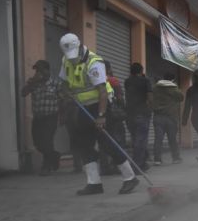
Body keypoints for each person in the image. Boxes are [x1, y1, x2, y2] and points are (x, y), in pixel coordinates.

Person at [58, 33, 138, 195]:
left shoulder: (94, 62)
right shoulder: (66, 60)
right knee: (84, 145)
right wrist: (66, 92)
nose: (72, 59)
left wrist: (101, 116)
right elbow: (65, 83)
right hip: (83, 107)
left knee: (107, 143)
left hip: (101, 105)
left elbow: (102, 91)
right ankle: (94, 183)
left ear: (80, 47)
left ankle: (130, 178)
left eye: (74, 55)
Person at [21, 60, 64, 175]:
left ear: (47, 70)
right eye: (37, 70)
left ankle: (46, 166)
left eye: (41, 70)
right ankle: (54, 155)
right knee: (37, 144)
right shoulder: (34, 83)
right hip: (38, 117)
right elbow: (23, 93)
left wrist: (63, 116)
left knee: (47, 141)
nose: (38, 72)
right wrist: (32, 82)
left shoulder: (56, 84)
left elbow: (63, 100)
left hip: (51, 117)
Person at [124, 63, 153, 174]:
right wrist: (150, 108)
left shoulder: (127, 81)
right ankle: (137, 166)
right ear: (141, 71)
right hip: (142, 113)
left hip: (129, 114)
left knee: (136, 138)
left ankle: (143, 162)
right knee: (140, 141)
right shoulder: (145, 81)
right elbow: (150, 97)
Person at [100, 61, 127, 175]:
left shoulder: (95, 81)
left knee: (103, 141)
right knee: (118, 140)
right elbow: (120, 98)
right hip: (113, 116)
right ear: (109, 69)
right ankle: (116, 165)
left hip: (100, 115)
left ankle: (104, 167)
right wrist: (124, 109)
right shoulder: (112, 80)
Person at [152, 72, 183, 165]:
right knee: (172, 139)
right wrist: (176, 86)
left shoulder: (155, 87)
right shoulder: (174, 88)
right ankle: (176, 158)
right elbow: (181, 97)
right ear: (172, 80)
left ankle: (157, 159)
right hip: (170, 117)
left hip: (158, 116)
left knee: (158, 139)